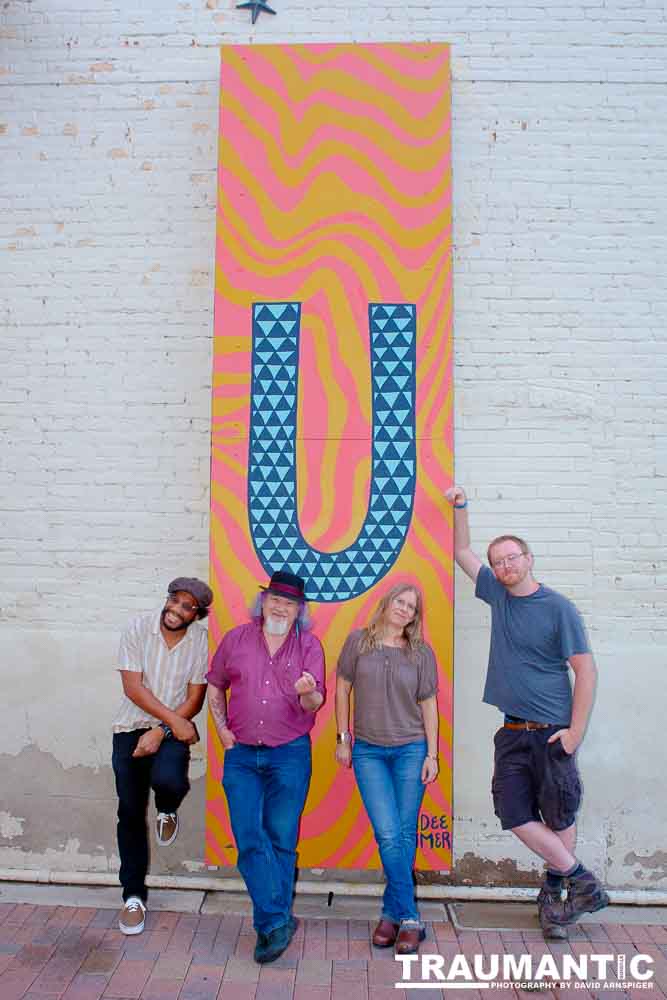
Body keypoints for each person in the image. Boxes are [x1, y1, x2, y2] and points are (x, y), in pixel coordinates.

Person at [444, 485, 609, 938]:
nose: (503, 566)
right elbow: (461, 549)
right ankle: (583, 883)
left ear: (529, 558)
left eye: (511, 557)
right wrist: (461, 506)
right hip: (512, 730)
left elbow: (586, 671)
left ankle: (557, 902)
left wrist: (575, 732)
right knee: (515, 814)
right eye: (497, 561)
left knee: (559, 817)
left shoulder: (559, 608)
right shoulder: (497, 596)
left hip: (554, 731)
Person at [207, 570, 326, 964]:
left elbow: (315, 704)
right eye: (274, 598)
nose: (280, 606)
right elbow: (215, 684)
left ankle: (272, 922)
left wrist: (308, 693)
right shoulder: (236, 639)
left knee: (281, 839)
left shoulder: (310, 646)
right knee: (248, 838)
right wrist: (222, 730)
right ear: (263, 601)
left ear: (299, 610)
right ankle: (276, 920)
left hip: (289, 753)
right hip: (240, 754)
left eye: (289, 602)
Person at [335, 582, 439, 955]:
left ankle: (391, 915)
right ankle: (410, 916)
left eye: (412, 607)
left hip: (412, 750)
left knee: (404, 835)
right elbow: (342, 689)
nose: (405, 610)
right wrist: (343, 738)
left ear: (415, 617)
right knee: (389, 834)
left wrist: (433, 755)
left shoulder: (421, 653)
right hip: (368, 752)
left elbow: (428, 705)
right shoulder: (358, 642)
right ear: (387, 603)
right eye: (401, 601)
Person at [112, 576, 212, 935]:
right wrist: (163, 724)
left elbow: (195, 698)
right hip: (131, 726)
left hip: (172, 729)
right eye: (175, 600)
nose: (177, 609)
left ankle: (167, 808)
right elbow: (132, 687)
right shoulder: (138, 628)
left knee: (170, 781)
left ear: (197, 615)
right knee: (130, 811)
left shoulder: (200, 641)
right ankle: (133, 897)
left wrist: (163, 730)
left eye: (188, 607)